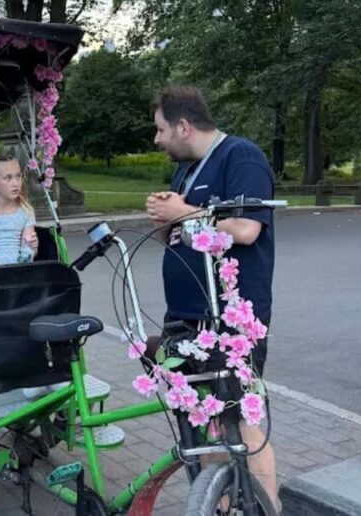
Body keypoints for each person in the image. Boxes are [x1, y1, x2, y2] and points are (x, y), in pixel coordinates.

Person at [145, 86, 279, 510]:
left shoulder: (241, 157)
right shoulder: (185, 170)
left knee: (242, 423)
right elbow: (177, 235)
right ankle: (218, 505)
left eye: (161, 129)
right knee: (208, 422)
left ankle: (267, 507)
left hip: (230, 320)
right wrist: (165, 216)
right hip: (184, 316)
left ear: (184, 126)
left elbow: (247, 230)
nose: (157, 139)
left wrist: (182, 212)